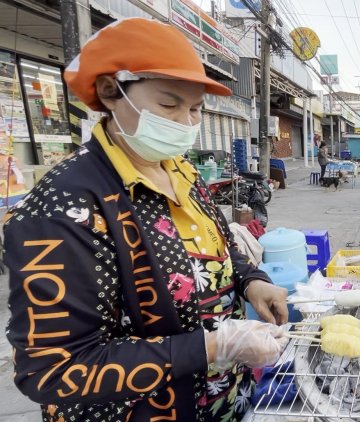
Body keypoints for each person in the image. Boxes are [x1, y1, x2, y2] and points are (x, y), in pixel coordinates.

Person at [3, 18, 290, 421]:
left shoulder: (180, 171)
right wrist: (213, 347)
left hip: (222, 403)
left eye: (194, 109)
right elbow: (54, 370)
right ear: (110, 91)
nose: (186, 123)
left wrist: (253, 281)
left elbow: (219, 247)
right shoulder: (65, 205)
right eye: (169, 104)